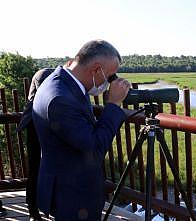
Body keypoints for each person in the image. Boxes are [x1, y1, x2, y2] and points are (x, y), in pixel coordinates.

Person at [32, 40, 130, 220]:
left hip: (68, 185)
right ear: (96, 69)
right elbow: (94, 148)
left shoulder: (64, 81)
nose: (110, 83)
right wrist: (114, 104)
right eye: (110, 77)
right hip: (71, 195)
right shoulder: (60, 99)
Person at [17, 68, 55, 220]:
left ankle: (40, 209)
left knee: (39, 169)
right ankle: (33, 209)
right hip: (36, 124)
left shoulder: (46, 74)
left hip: (46, 124)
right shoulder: (45, 75)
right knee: (35, 169)